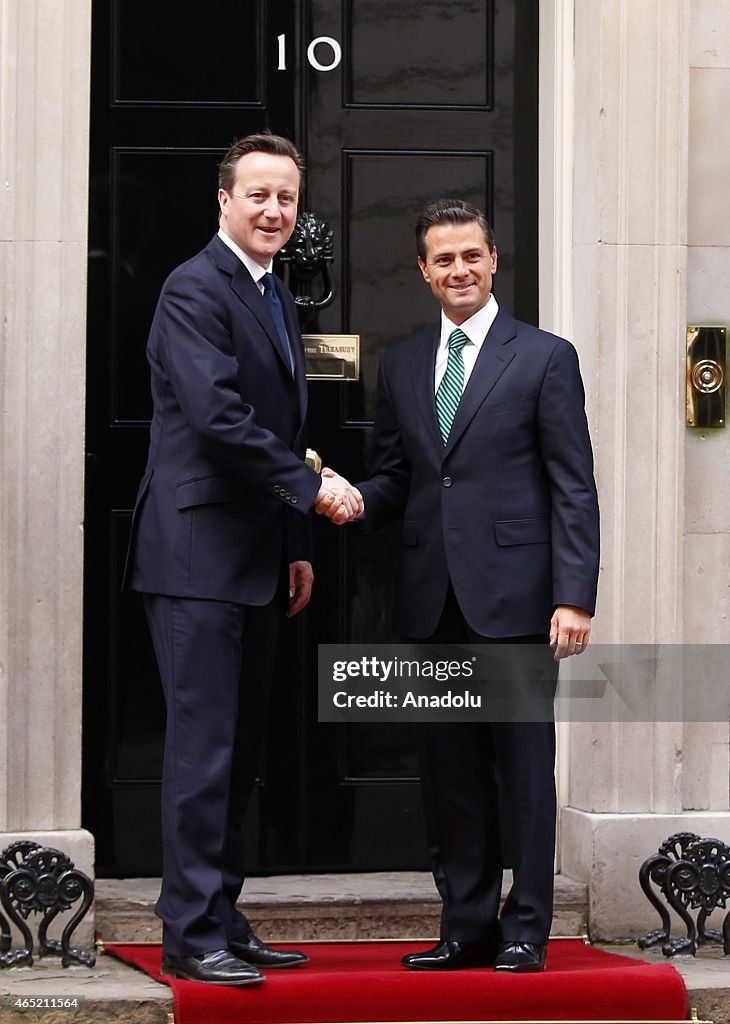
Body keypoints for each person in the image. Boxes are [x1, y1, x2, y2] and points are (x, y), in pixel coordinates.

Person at [125, 132, 361, 987]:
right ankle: (187, 933)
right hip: (194, 557)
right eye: (257, 195)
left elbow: (287, 431)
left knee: (242, 750)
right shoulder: (194, 288)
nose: (272, 211)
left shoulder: (272, 293)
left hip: (258, 558)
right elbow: (221, 421)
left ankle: (221, 912)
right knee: (203, 752)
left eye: (286, 200)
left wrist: (296, 545)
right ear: (223, 200)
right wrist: (318, 494)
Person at [356, 199, 600, 973]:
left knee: (524, 772)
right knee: (449, 776)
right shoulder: (399, 363)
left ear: (494, 260)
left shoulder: (545, 357)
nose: (458, 270)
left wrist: (575, 594)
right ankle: (465, 925)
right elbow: (399, 476)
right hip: (432, 597)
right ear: (424, 271)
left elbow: (574, 485)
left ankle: (527, 926)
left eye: (471, 255)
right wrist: (354, 498)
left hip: (519, 596)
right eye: (442, 259)